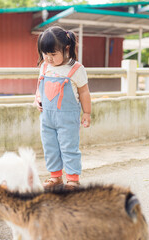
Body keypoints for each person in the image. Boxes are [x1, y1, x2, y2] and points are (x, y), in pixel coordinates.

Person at [34, 26, 91, 190]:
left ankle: (73, 179)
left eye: (53, 54)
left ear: (66, 49)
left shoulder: (75, 69)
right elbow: (39, 87)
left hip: (68, 119)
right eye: (45, 54)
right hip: (47, 118)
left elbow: (84, 92)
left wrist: (87, 112)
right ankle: (55, 176)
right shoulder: (44, 67)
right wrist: (37, 98)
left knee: (69, 147)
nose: (49, 58)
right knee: (50, 147)